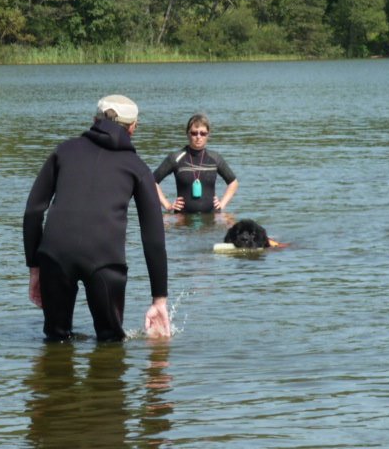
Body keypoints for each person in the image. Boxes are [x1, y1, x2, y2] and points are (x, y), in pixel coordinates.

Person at [23, 95, 170, 341]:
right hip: (105, 261)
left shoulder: (63, 151)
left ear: (94, 120)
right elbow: (153, 235)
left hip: (54, 256)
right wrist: (159, 299)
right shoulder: (137, 167)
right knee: (111, 343)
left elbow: (33, 212)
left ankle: (52, 376)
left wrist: (35, 269)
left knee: (56, 339)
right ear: (133, 127)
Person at [154, 114, 238, 213]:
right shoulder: (175, 158)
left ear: (208, 135)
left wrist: (222, 204)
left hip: (210, 218)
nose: (198, 137)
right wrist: (167, 205)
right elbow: (152, 181)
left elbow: (233, 182)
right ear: (187, 133)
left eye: (203, 133)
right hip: (183, 219)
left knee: (231, 221)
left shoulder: (215, 158)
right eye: (194, 133)